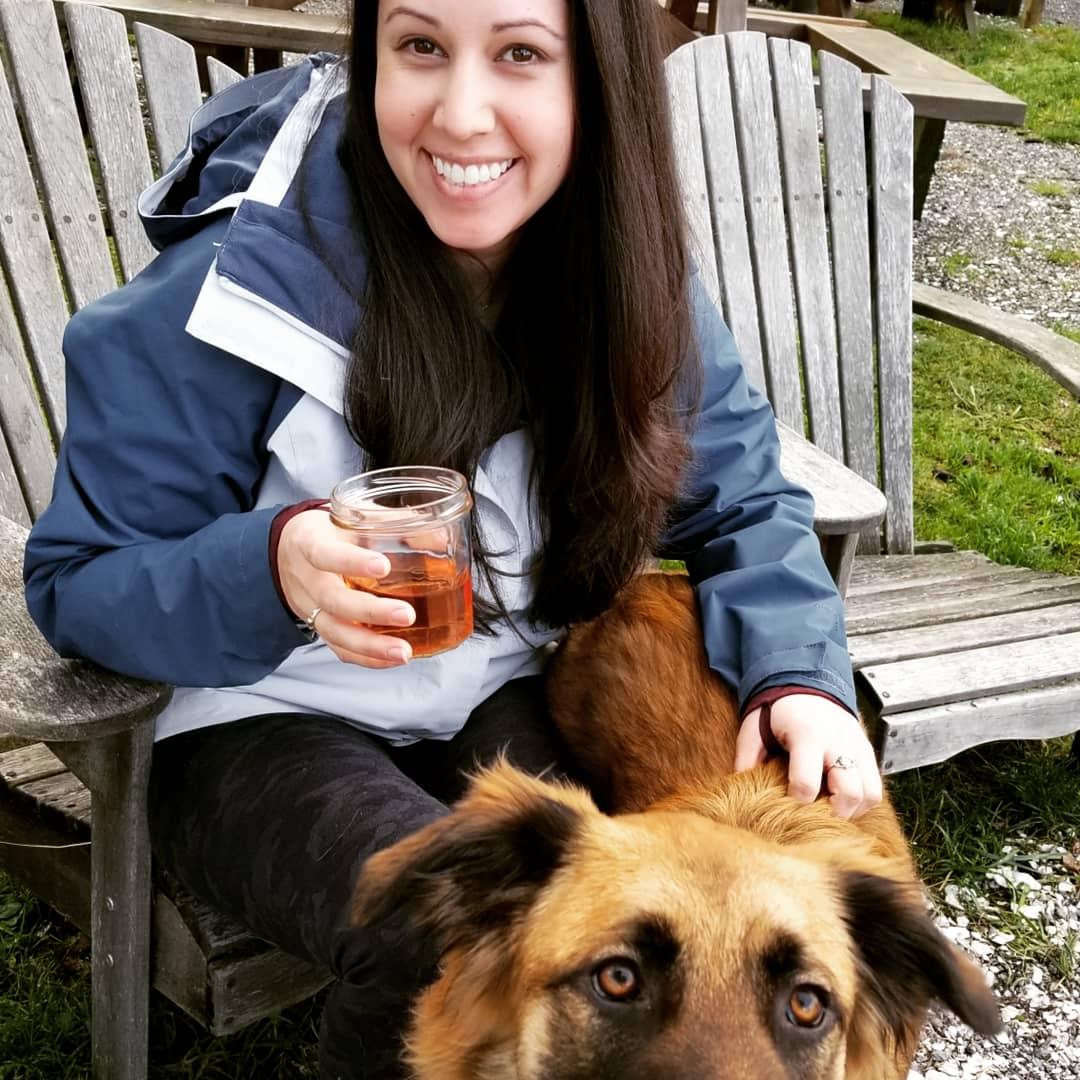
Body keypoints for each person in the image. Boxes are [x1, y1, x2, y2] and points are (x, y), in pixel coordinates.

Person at [23, 0, 883, 1074]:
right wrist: (271, 568)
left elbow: (748, 500)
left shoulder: (629, 280)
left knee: (610, 912)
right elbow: (79, 580)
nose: (462, 114)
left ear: (599, 85)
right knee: (431, 934)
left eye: (521, 53)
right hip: (253, 716)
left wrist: (798, 676)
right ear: (369, 59)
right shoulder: (228, 294)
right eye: (420, 47)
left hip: (490, 679)